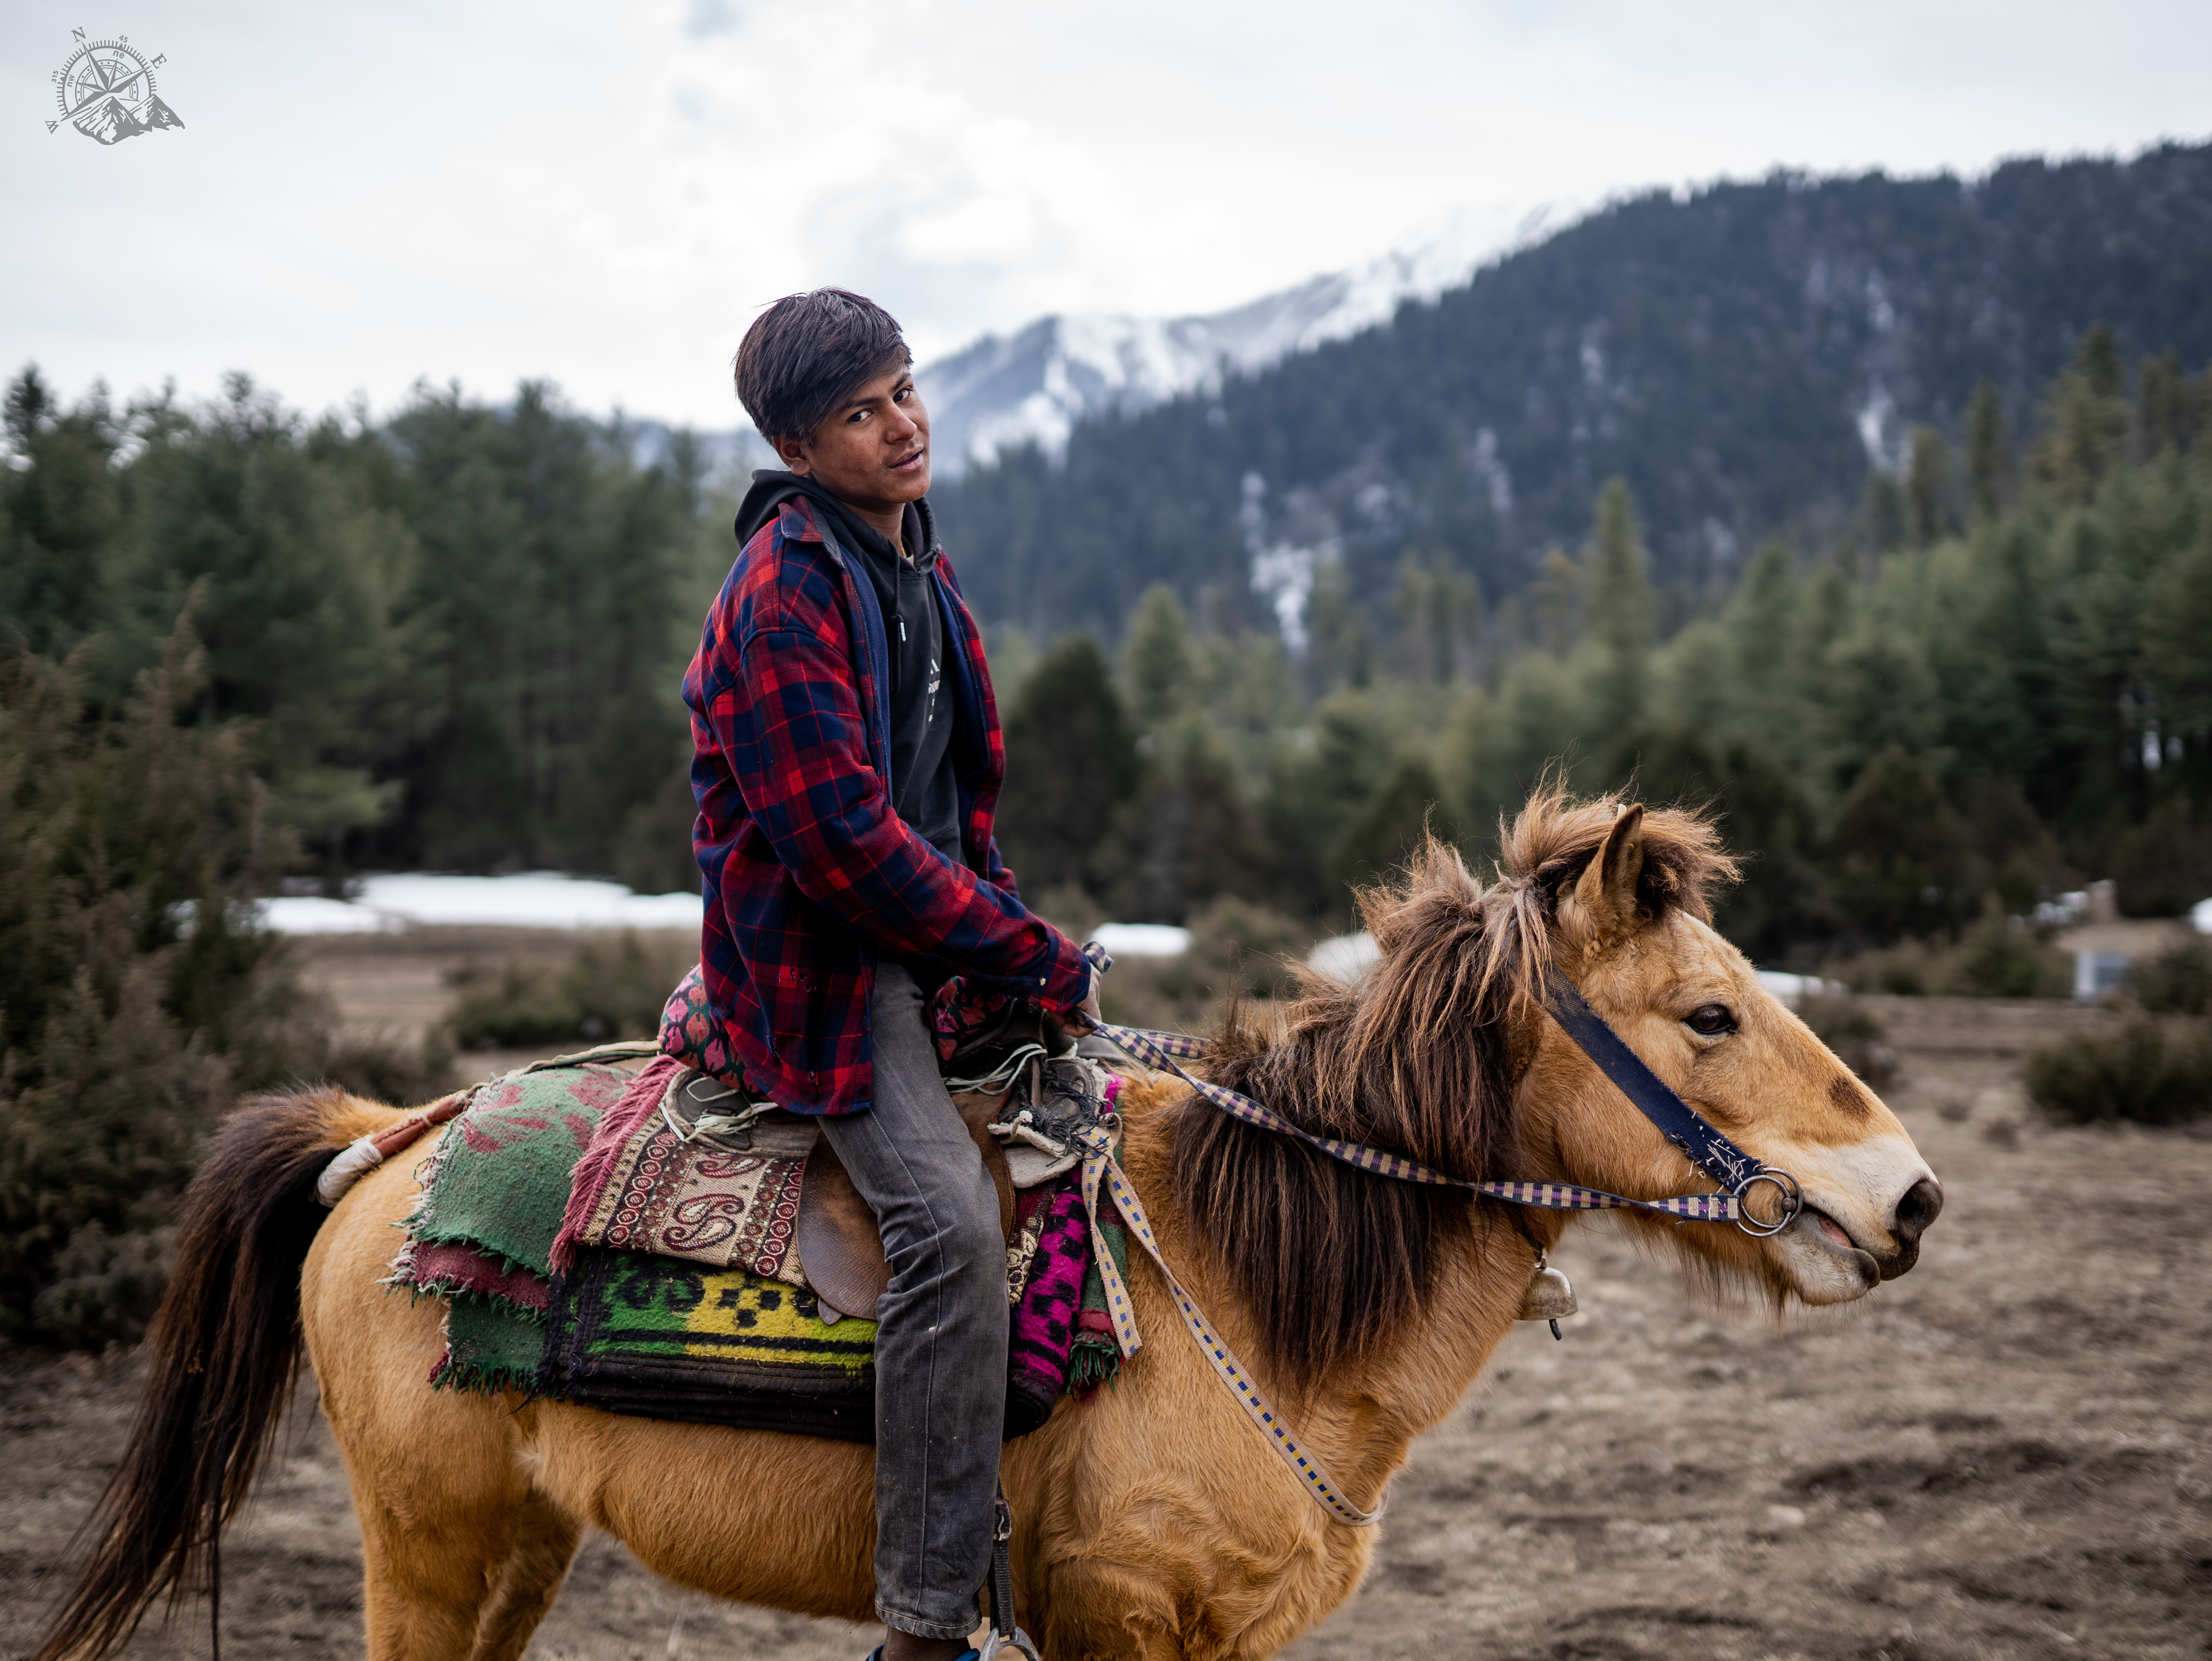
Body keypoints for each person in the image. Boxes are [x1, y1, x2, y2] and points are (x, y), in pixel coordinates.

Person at [683, 288, 1099, 1661]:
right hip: (828, 970)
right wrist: (1027, 947)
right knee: (951, 1231)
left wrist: (1025, 956)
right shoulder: (782, 596)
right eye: (860, 414)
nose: (901, 427)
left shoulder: (917, 562)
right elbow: (845, 848)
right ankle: (924, 1622)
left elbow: (953, 818)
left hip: (935, 949)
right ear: (799, 450)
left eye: (905, 391)